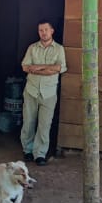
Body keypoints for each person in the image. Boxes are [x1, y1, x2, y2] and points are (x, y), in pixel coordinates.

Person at [20, 21, 66, 166]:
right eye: (41, 30)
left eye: (46, 29)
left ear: (52, 31)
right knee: (28, 122)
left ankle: (40, 154)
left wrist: (38, 67)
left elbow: (59, 68)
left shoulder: (59, 49)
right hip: (31, 91)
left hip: (49, 93)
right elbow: (25, 67)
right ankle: (27, 150)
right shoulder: (32, 48)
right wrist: (48, 69)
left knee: (44, 124)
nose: (43, 33)